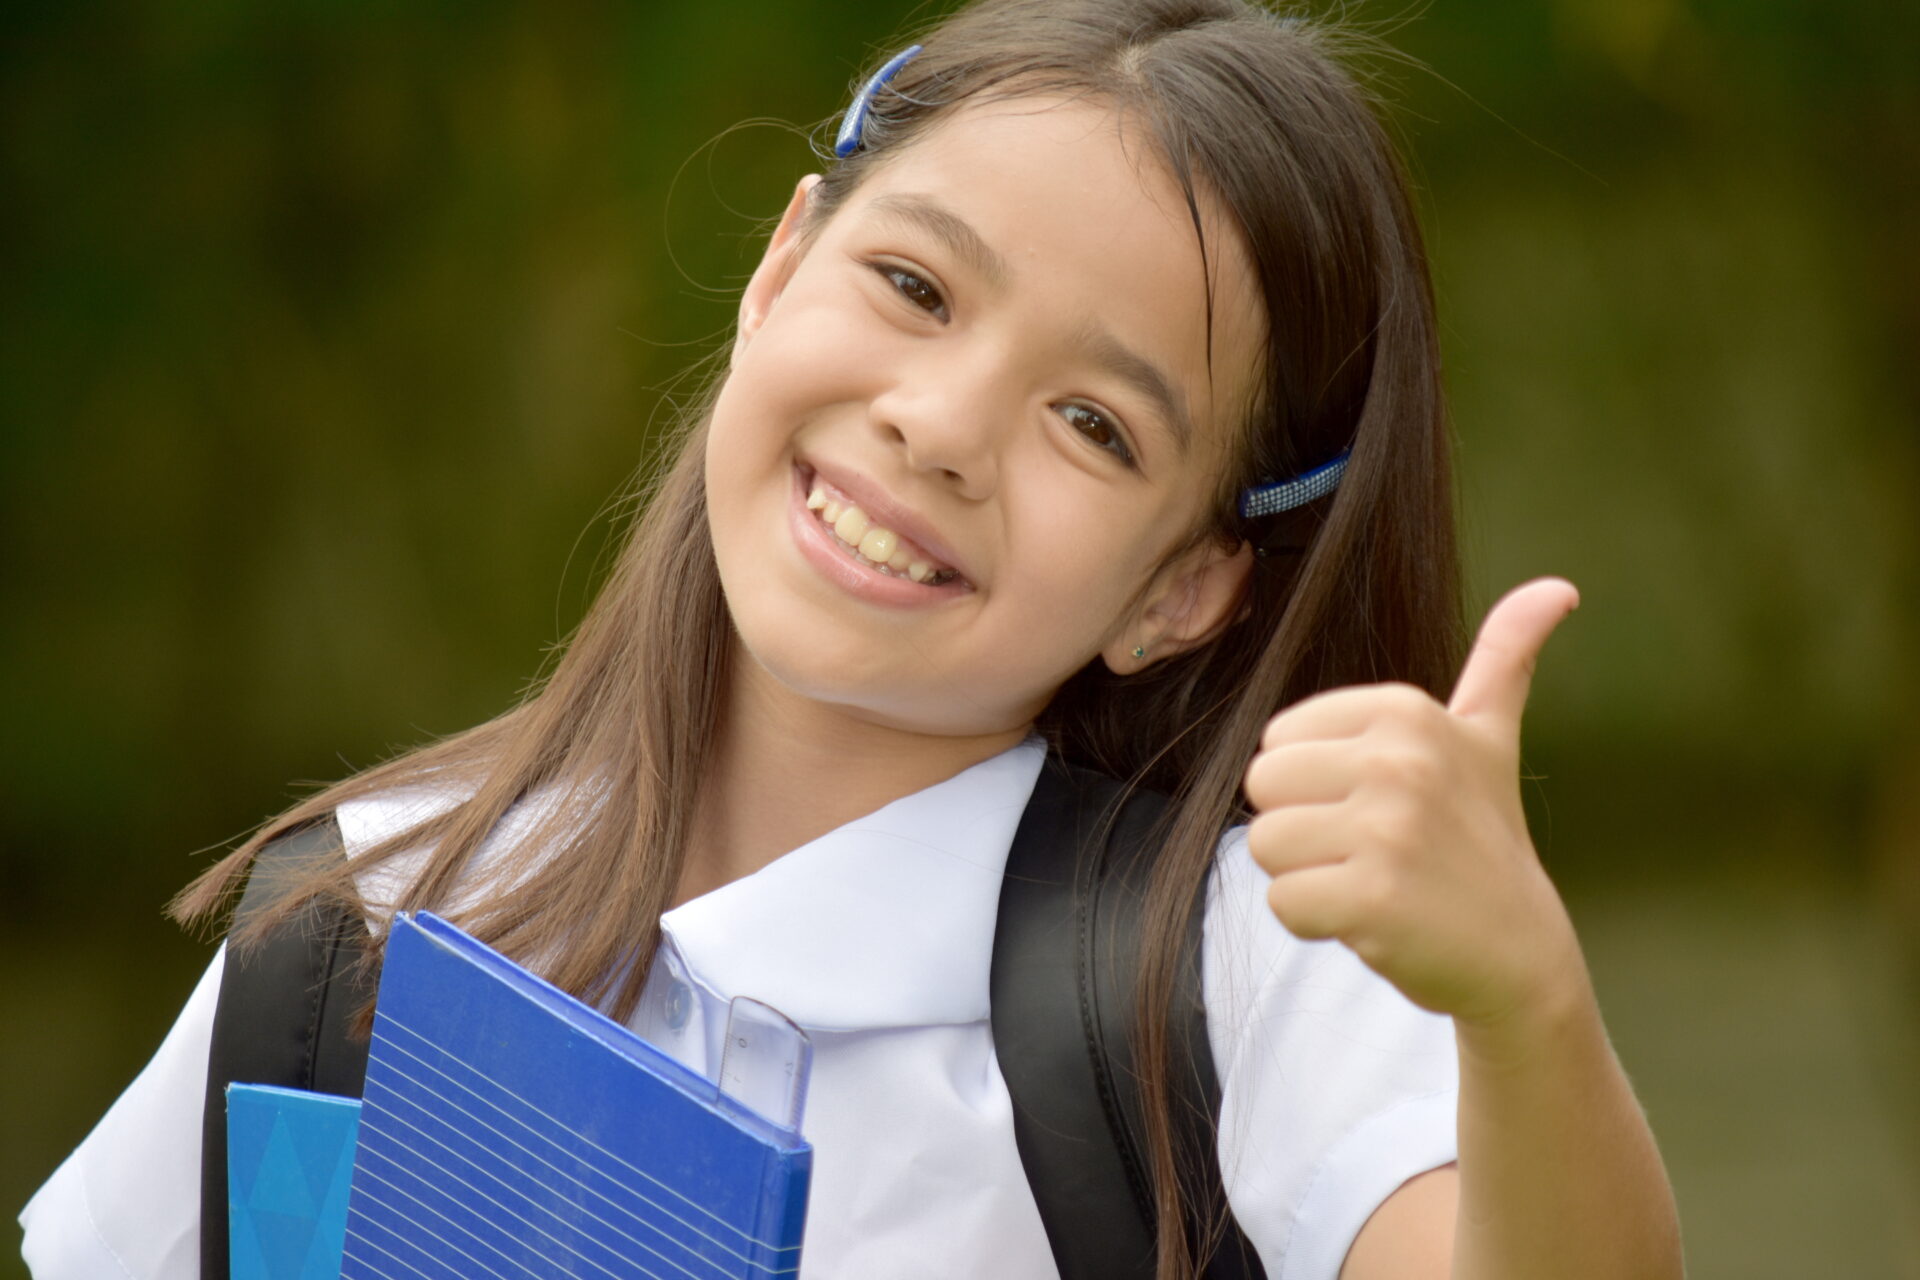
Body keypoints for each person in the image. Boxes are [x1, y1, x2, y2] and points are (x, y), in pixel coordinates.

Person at [18, 0, 1684, 1276]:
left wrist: (1525, 1002)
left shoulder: (1235, 967)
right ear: (778, 269)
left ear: (1182, 585)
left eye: (1096, 424)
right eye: (914, 286)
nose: (943, 426)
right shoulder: (369, 921)